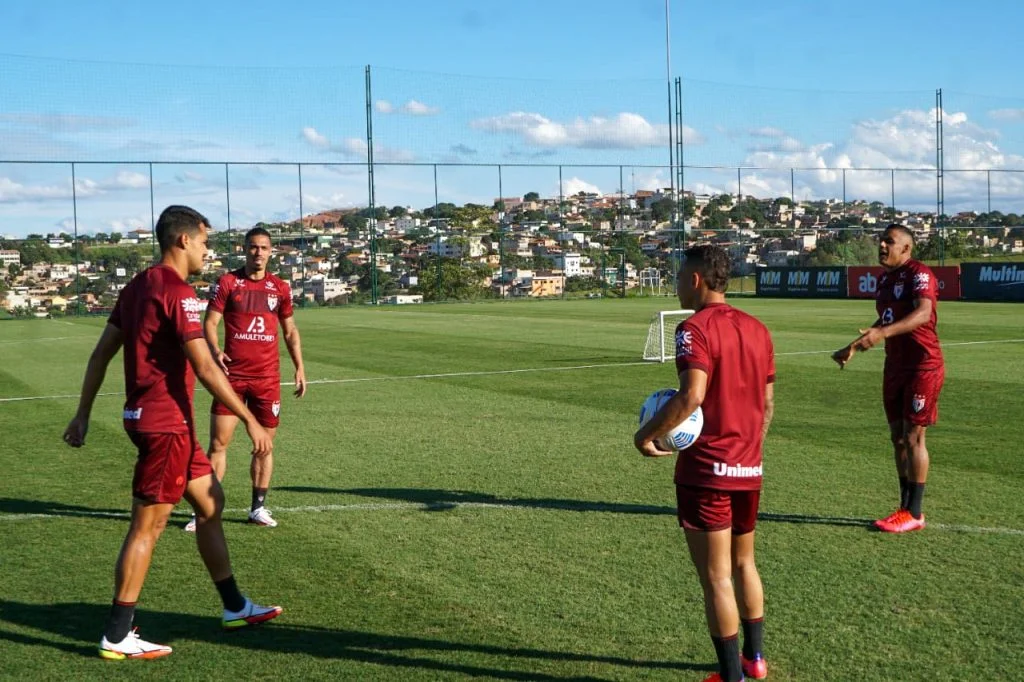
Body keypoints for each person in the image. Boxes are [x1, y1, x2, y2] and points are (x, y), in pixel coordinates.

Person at [63, 205, 283, 660]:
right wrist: (249, 417)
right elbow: (204, 364)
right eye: (204, 240)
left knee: (211, 503)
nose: (208, 249)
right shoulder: (179, 292)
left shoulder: (138, 285)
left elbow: (101, 354)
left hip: (157, 422)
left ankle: (234, 607)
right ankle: (118, 633)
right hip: (166, 427)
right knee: (149, 525)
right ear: (183, 240)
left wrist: (83, 413)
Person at [634, 244, 775, 682]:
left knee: (716, 578)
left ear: (695, 279)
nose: (676, 286)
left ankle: (730, 675)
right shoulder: (758, 328)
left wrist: (646, 434)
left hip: (707, 472)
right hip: (749, 468)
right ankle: (756, 660)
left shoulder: (693, 328)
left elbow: (692, 395)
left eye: (678, 278)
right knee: (744, 564)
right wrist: (747, 450)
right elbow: (767, 404)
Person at [183, 226, 305, 532]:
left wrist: (299, 367)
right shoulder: (227, 282)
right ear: (244, 249)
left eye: (264, 248)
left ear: (271, 251)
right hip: (231, 378)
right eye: (253, 247)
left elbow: (289, 331)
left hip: (267, 380)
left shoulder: (280, 288)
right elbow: (209, 323)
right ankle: (203, 511)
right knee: (218, 445)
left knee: (264, 447)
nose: (258, 253)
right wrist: (215, 350)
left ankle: (258, 509)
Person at [832, 223, 943, 533]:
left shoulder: (920, 274)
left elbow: (923, 313)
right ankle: (904, 507)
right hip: (894, 366)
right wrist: (853, 345)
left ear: (906, 249)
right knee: (897, 438)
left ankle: (915, 513)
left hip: (923, 365)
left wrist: (881, 333)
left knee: (914, 437)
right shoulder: (884, 280)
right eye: (881, 240)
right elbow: (887, 318)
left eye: (889, 241)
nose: (882, 245)